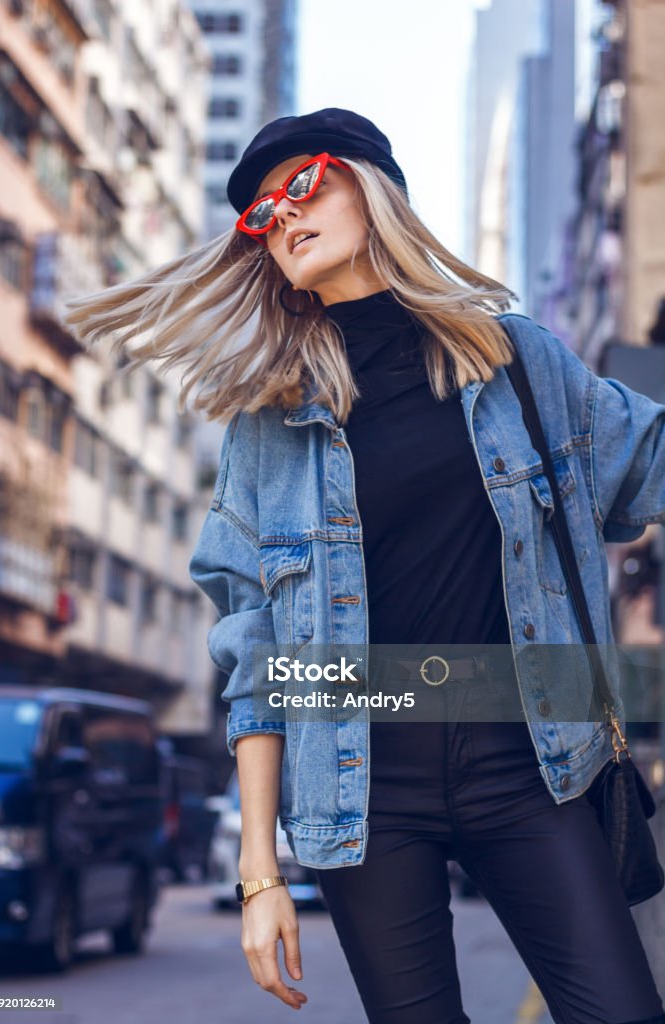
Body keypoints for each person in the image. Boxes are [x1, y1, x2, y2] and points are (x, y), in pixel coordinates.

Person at [63, 108, 665, 1024]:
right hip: (362, 788)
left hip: (531, 758)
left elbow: (648, 459)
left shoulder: (515, 363)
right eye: (261, 216)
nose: (283, 216)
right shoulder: (269, 424)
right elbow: (258, 659)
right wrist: (259, 873)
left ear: (372, 186)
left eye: (301, 184)